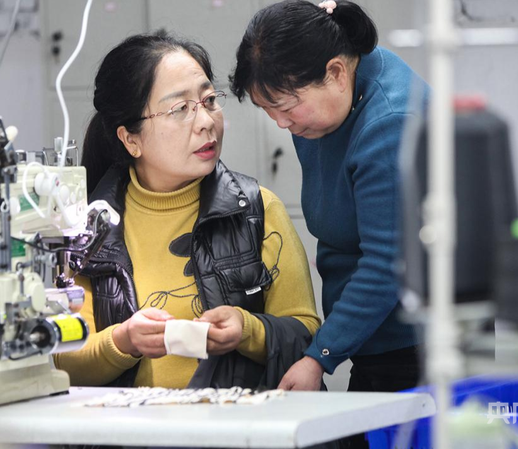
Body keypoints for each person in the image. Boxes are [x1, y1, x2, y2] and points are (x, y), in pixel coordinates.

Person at [54, 30, 321, 390]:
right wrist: (123, 341)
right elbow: (63, 360)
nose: (206, 121)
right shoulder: (88, 230)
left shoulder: (257, 210)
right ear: (131, 139)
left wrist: (248, 329)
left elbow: (306, 336)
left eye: (209, 101)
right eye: (180, 109)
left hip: (238, 421)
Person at [230, 0, 429, 396]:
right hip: (373, 337)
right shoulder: (329, 97)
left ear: (336, 73)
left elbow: (386, 265)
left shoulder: (389, 126)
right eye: (267, 109)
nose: (281, 123)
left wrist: (319, 356)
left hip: (417, 345)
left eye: (286, 107)